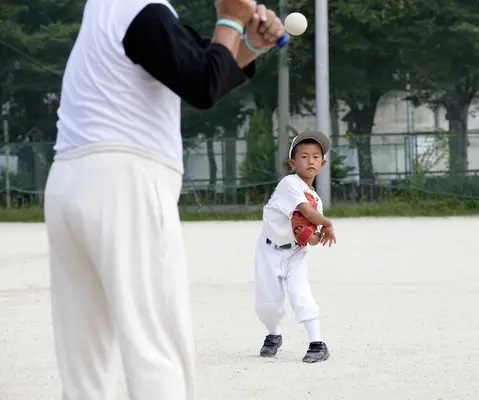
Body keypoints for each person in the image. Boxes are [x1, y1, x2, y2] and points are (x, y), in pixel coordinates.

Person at [43, 0, 285, 398]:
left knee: (84, 357)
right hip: (124, 183)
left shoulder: (110, 9)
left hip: (69, 180)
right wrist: (230, 18)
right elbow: (203, 85)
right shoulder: (145, 10)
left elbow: (205, 65)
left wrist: (249, 45)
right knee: (156, 344)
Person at [254, 130, 337, 363]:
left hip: (295, 253)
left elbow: (311, 237)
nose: (310, 160)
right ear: (293, 163)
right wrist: (327, 224)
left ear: (323, 163)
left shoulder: (317, 199)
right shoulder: (289, 183)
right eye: (303, 156)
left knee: (301, 294)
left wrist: (313, 235)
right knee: (267, 303)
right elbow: (307, 213)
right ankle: (273, 335)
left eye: (316, 156)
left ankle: (317, 344)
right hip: (268, 250)